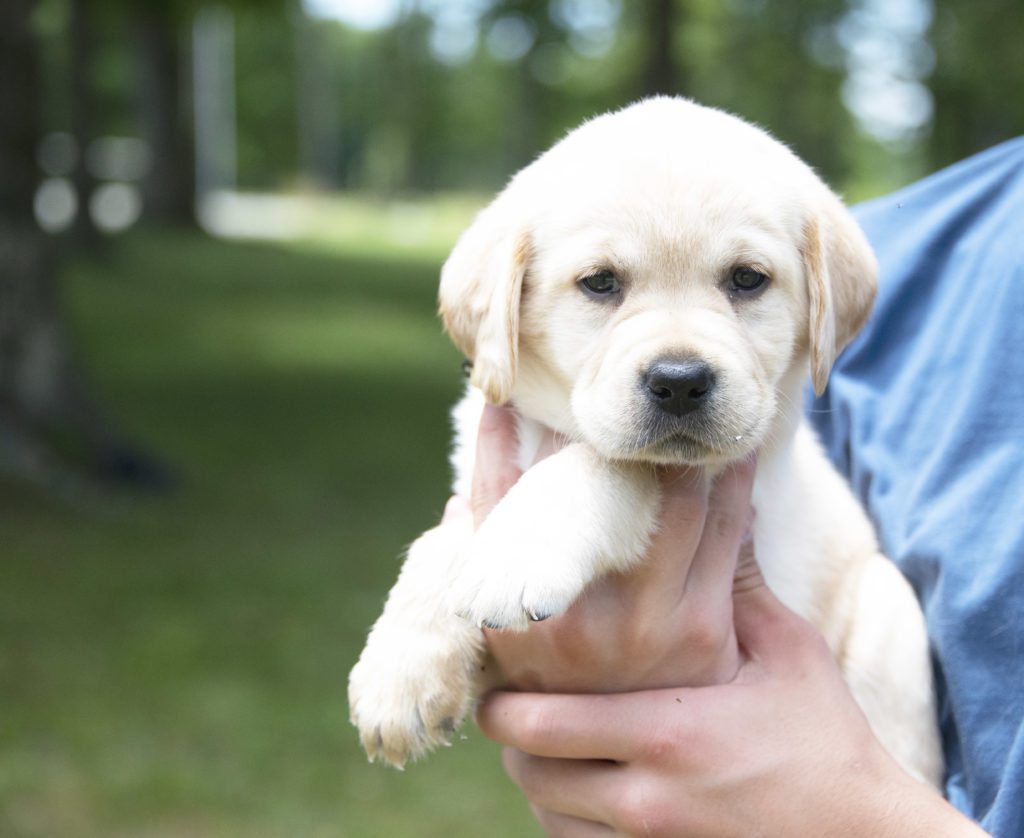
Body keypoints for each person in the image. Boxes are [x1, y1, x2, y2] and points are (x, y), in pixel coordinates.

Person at [443, 137, 1024, 836]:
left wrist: (862, 819)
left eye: (744, 280)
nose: (681, 362)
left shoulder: (853, 247)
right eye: (603, 282)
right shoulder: (923, 238)